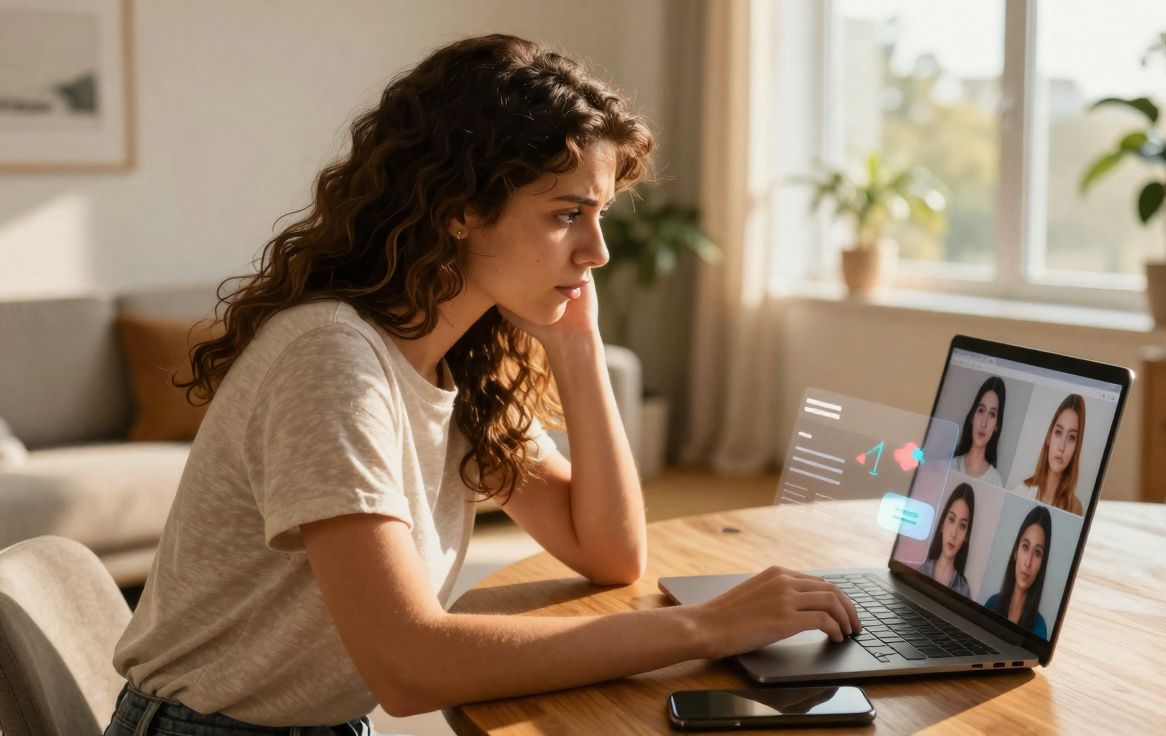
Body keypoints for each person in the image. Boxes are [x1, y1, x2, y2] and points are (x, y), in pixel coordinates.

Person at [105, 35, 859, 734]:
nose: (597, 251)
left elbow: (608, 552)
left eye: (599, 216)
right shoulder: (331, 360)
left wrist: (578, 347)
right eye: (568, 214)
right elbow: (410, 667)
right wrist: (709, 627)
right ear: (461, 208)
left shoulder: (451, 358)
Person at [1011, 394, 1086, 515]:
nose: (1062, 447)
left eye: (1071, 437)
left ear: (1076, 448)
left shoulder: (1075, 509)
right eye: (1058, 432)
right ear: (1048, 438)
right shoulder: (1020, 492)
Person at [983, 506, 1051, 638]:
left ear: (1042, 564)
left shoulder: (1040, 628)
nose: (1028, 563)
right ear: (1015, 552)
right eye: (1025, 547)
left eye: (1037, 553)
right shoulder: (991, 605)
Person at [915, 482, 975, 597]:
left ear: (966, 536)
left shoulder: (963, 591)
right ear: (942, 524)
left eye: (962, 526)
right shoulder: (921, 570)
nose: (954, 534)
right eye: (951, 519)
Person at [948, 376, 1006, 486]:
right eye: (981, 410)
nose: (984, 423)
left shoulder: (995, 481)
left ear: (997, 425)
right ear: (972, 417)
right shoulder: (950, 466)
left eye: (992, 414)